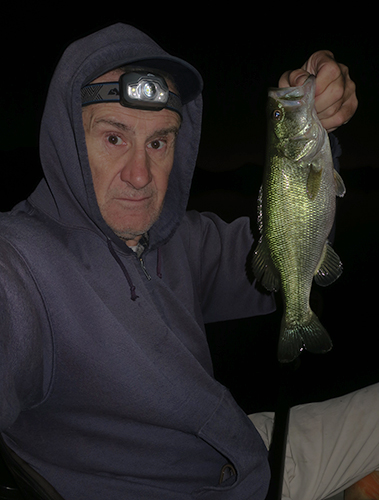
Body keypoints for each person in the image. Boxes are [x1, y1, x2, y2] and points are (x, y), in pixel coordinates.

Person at [0, 22, 376, 500]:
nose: (140, 175)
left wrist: (319, 127)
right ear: (66, 141)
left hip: (237, 451)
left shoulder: (183, 241)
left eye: (158, 143)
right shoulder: (20, 266)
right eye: (114, 138)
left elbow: (291, 245)